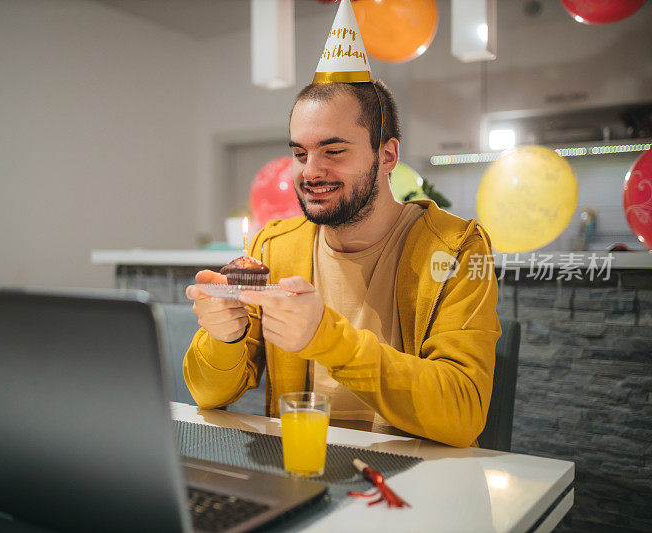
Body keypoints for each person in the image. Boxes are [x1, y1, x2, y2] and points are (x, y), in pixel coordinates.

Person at [184, 0, 500, 448]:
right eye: (300, 153)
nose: (310, 171)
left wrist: (328, 338)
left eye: (333, 151)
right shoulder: (273, 247)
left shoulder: (457, 249)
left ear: (387, 155)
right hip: (299, 469)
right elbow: (206, 393)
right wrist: (225, 337)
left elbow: (464, 413)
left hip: (413, 485)